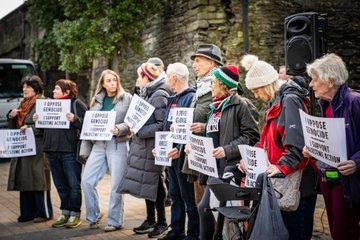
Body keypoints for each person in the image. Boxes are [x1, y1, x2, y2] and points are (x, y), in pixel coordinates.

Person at [238, 54, 317, 240]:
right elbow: (266, 141)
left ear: (266, 85)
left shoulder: (289, 101)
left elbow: (297, 144)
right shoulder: (275, 102)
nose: (256, 96)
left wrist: (280, 166)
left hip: (297, 184)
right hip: (282, 181)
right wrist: (249, 157)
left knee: (295, 233)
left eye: (257, 91)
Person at [197, 65, 259, 239]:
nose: (210, 86)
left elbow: (252, 136)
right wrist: (195, 147)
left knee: (207, 208)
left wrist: (226, 150)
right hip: (214, 168)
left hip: (231, 168)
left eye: (213, 83)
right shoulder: (215, 107)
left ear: (223, 85)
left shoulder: (241, 104)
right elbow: (215, 134)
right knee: (207, 208)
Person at [303, 53, 360, 240]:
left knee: (344, 233)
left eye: (314, 79)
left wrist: (356, 162)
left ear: (330, 81)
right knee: (337, 233)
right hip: (329, 178)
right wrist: (313, 148)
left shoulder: (354, 101)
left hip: (349, 183)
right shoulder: (325, 104)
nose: (311, 84)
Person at [119, 62, 170, 238]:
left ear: (146, 77)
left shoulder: (159, 95)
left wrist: (140, 131)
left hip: (153, 148)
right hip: (144, 147)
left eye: (138, 76)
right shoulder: (147, 93)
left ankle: (162, 222)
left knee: (156, 185)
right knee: (147, 184)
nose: (136, 79)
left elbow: (162, 124)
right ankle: (151, 219)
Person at [79, 69, 131, 232]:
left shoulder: (126, 98)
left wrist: (119, 129)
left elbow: (132, 122)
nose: (112, 83)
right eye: (108, 81)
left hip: (118, 144)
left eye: (115, 80)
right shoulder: (95, 101)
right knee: (87, 181)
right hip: (98, 146)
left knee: (116, 185)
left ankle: (115, 221)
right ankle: (93, 215)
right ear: (102, 83)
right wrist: (84, 150)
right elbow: (89, 126)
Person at [33, 79, 87, 228]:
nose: (53, 91)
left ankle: (75, 214)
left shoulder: (76, 104)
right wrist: (38, 121)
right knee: (60, 185)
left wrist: (75, 119)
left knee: (73, 185)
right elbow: (42, 130)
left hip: (69, 151)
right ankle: (65, 213)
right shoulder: (48, 105)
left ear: (67, 92)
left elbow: (88, 125)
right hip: (51, 151)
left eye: (57, 89)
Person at [157, 62, 199, 240]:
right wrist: (161, 147)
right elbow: (168, 127)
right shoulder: (172, 98)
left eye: (167, 76)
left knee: (188, 197)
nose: (167, 80)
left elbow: (189, 129)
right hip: (170, 155)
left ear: (174, 77)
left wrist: (179, 149)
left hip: (183, 156)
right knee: (174, 194)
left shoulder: (191, 97)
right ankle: (176, 230)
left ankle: (193, 233)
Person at [7, 75, 53, 223]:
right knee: (25, 178)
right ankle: (27, 212)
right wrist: (11, 116)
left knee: (39, 180)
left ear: (36, 88)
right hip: (24, 148)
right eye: (23, 87)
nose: (24, 89)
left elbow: (48, 125)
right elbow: (16, 127)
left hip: (39, 149)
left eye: (28, 87)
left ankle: (44, 213)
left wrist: (31, 128)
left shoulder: (43, 103)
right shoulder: (23, 104)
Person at [187, 43, 223, 204]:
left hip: (214, 155)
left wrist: (204, 126)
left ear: (212, 63)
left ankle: (211, 230)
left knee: (210, 204)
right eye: (194, 61)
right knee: (199, 200)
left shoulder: (222, 86)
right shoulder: (200, 86)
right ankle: (202, 230)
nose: (194, 65)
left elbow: (227, 120)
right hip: (198, 151)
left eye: (199, 60)